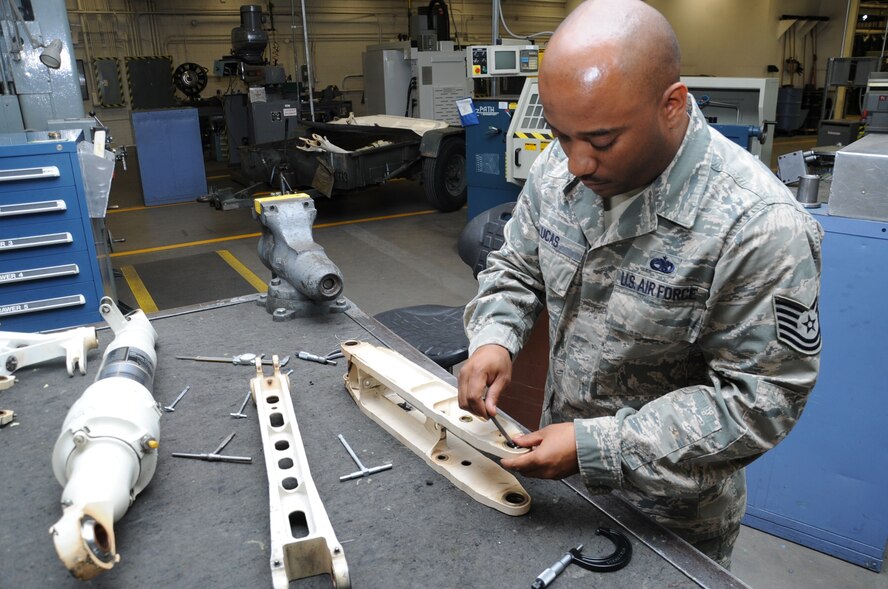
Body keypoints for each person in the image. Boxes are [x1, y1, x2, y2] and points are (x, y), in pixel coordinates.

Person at [457, 0, 823, 568]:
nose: (576, 163)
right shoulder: (561, 167)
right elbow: (516, 268)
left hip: (671, 518)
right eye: (560, 135)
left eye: (602, 142)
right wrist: (494, 337)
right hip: (559, 479)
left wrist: (597, 445)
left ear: (672, 104)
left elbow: (762, 400)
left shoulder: (757, 226)